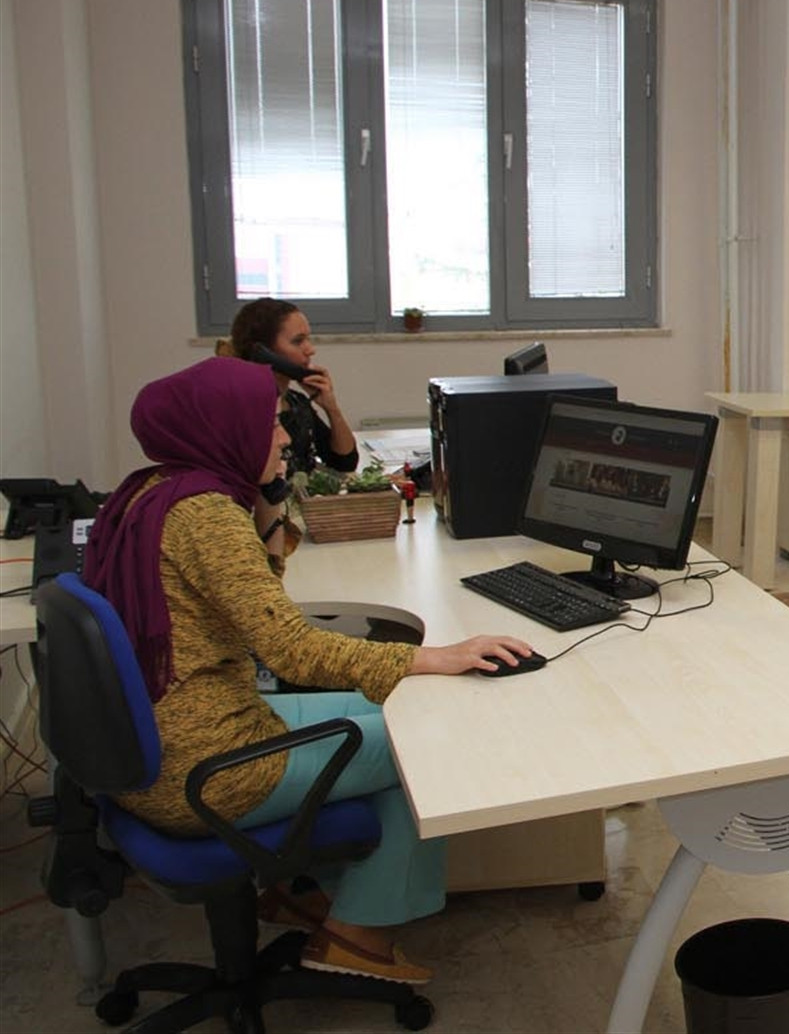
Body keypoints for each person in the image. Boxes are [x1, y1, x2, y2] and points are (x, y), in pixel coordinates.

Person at [82, 358, 533, 984]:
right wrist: (436, 656)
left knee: (406, 707)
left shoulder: (154, 489)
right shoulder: (205, 515)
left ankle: (307, 895)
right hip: (205, 765)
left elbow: (258, 595)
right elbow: (289, 649)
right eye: (269, 423)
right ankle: (358, 937)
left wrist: (267, 502)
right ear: (225, 428)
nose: (284, 438)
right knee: (423, 739)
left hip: (159, 741)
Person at [226, 298, 360, 477]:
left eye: (308, 339)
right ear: (263, 352)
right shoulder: (247, 410)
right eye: (298, 341)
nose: (310, 350)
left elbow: (345, 463)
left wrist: (331, 408)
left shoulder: (296, 402)